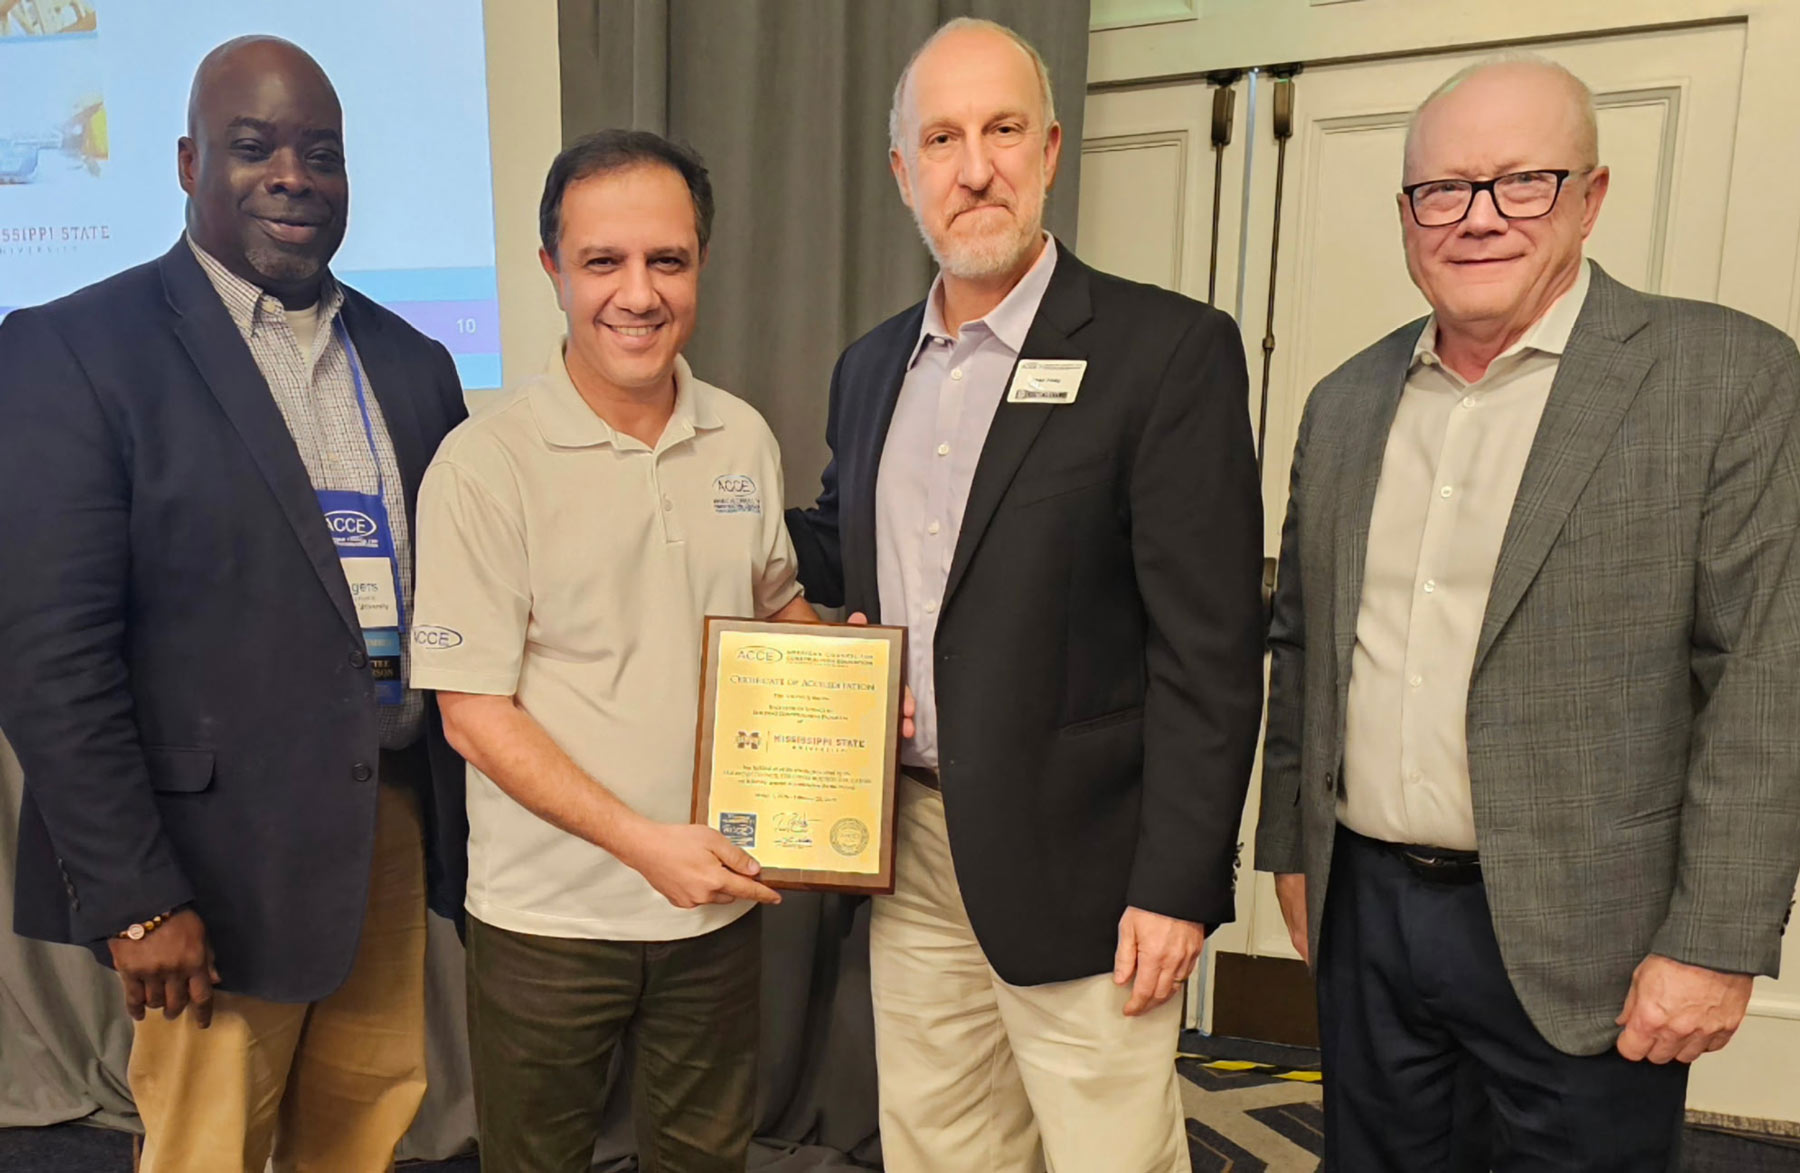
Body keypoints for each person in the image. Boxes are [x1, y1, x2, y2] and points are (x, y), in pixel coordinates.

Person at [1255, 55, 1800, 1170]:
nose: (1479, 218)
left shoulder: (1724, 378)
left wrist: (1716, 942)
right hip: (1368, 907)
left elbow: (1767, 678)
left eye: (1523, 182)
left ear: (1591, 195)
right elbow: (1305, 649)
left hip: (1588, 930)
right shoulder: (1347, 401)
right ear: (1408, 215)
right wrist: (1292, 852)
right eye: (1442, 191)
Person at [785, 18, 1265, 1172]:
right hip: (908, 845)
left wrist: (1178, 884)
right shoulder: (867, 369)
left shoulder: (1168, 351)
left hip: (1092, 869)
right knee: (940, 1147)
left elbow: (1212, 648)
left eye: (1002, 130)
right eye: (941, 139)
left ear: (1050, 151)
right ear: (905, 175)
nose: (975, 166)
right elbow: (866, 579)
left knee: (1109, 1154)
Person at [0, 36, 471, 1172]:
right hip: (207, 867)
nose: (293, 176)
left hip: (384, 833)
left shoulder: (412, 365)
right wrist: (137, 899)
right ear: (185, 162)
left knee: (365, 1132)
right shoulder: (72, 350)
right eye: (254, 147)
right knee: (207, 1150)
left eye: (323, 153)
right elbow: (48, 654)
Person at [409, 130, 827, 1173]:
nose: (637, 294)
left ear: (700, 264)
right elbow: (472, 713)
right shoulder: (482, 465)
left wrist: (840, 687)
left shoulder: (741, 436)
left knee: (705, 1159)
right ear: (551, 268)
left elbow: (773, 605)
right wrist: (647, 845)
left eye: (666, 261)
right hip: (547, 921)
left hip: (716, 908)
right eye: (603, 262)